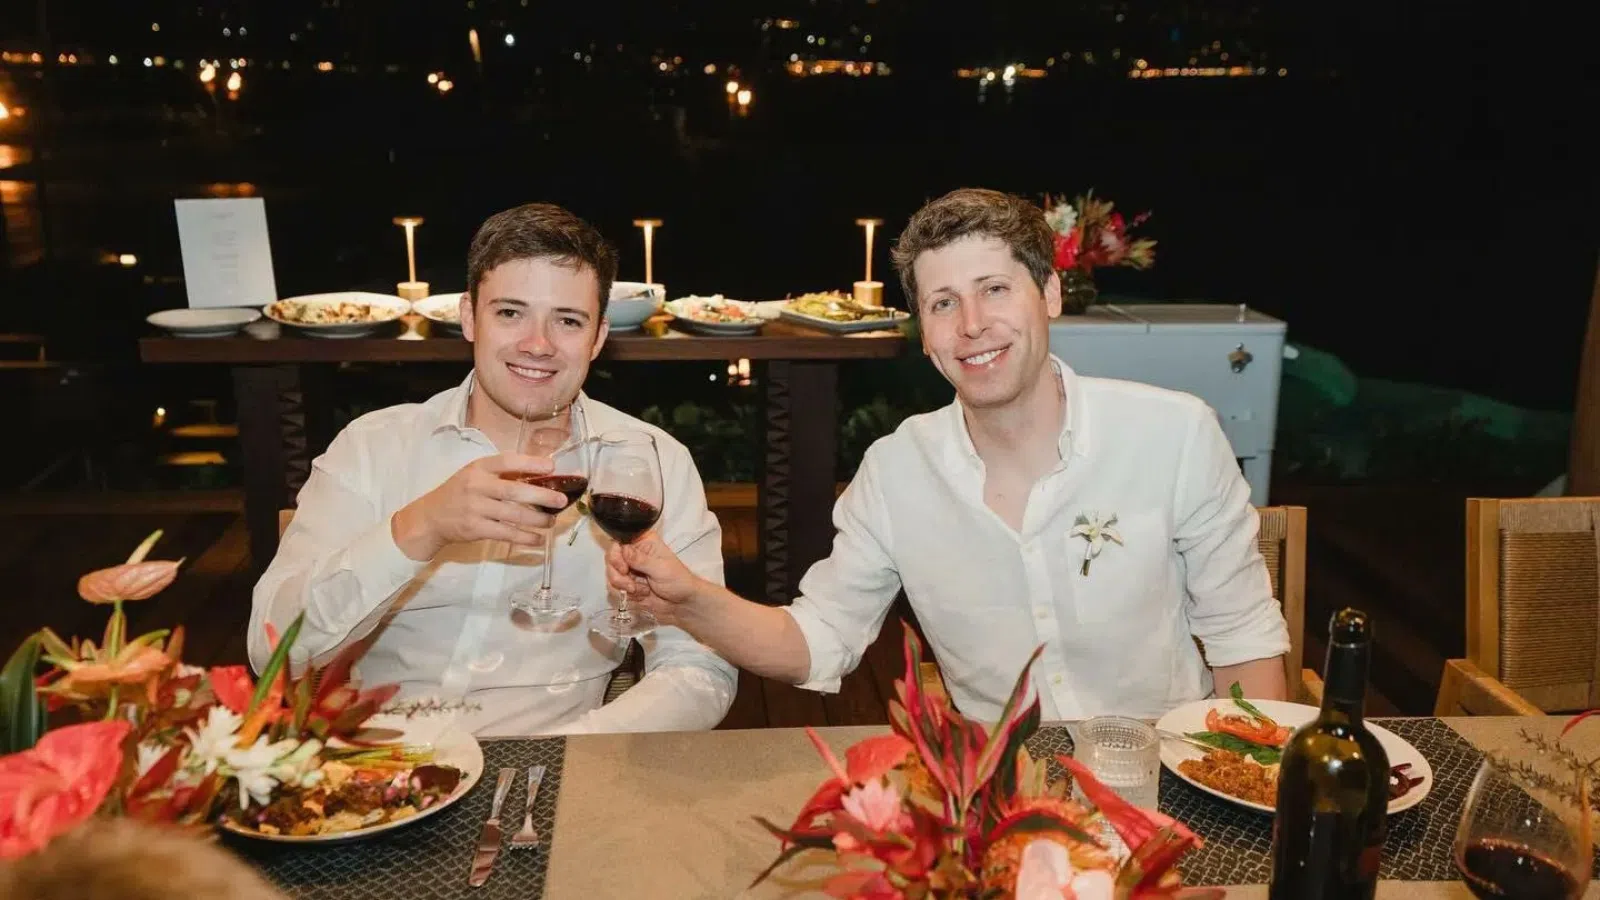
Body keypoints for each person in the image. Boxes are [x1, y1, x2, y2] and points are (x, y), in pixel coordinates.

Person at [606, 188, 1291, 721]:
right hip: (998, 801)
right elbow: (818, 641)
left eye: (995, 289)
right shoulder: (896, 473)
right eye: (943, 303)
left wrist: (1251, 799)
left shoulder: (1174, 436)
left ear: (1048, 293)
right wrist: (689, 600)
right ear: (923, 335)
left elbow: (1244, 646)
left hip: (1165, 775)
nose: (972, 326)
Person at [250, 202, 736, 736]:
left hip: (553, 768)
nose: (538, 344)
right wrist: (422, 526)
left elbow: (701, 667)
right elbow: (274, 651)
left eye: (568, 321)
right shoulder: (375, 446)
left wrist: (567, 754)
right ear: (467, 317)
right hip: (378, 760)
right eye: (510, 312)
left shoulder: (649, 461)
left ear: (598, 338)